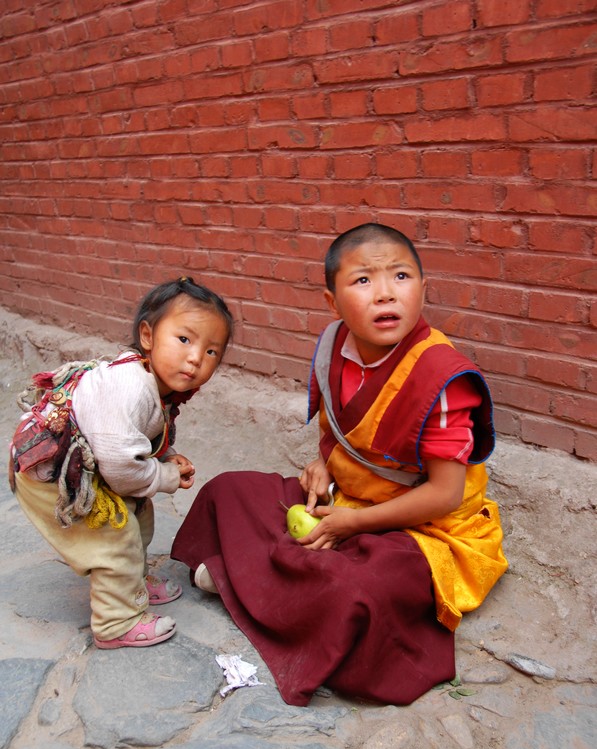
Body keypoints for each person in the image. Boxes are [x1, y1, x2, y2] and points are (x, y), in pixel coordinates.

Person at [171, 224, 508, 706]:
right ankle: (276, 585)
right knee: (230, 489)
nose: (386, 293)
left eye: (401, 276)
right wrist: (323, 465)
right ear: (333, 302)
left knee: (358, 587)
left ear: (423, 289)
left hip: (430, 531)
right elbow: (343, 431)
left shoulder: (442, 375)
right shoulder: (335, 346)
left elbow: (445, 495)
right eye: (364, 281)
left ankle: (239, 580)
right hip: (350, 500)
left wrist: (355, 525)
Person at [10, 276, 233, 649]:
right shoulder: (130, 388)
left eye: (212, 351)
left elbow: (131, 442)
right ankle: (116, 622)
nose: (196, 357)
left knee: (138, 511)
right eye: (184, 339)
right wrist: (163, 474)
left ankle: (130, 583)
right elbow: (122, 468)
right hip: (53, 471)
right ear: (147, 336)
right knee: (113, 534)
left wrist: (163, 456)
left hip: (87, 459)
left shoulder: (154, 383)